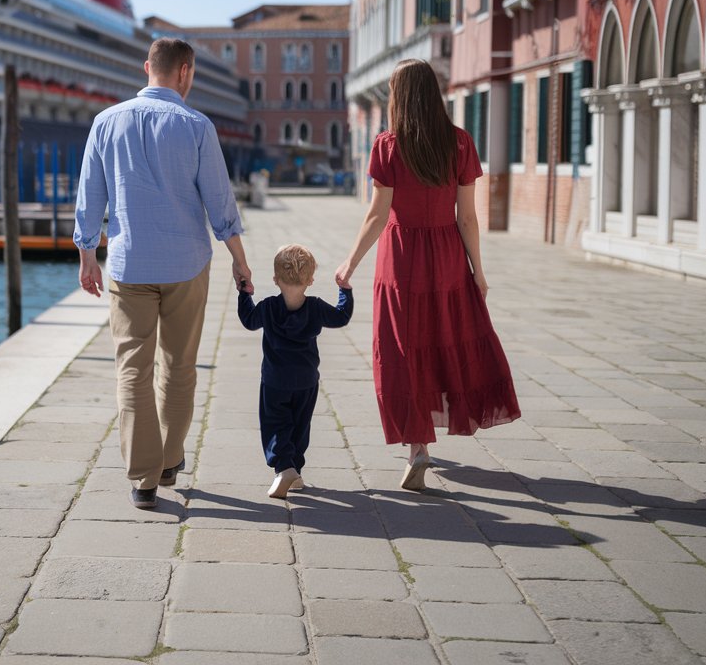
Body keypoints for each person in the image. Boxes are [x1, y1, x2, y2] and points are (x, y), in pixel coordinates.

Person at [74, 37, 253, 509]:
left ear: (147, 67)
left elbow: (90, 195)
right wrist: (239, 258)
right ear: (186, 72)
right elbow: (220, 202)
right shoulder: (197, 126)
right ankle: (170, 459)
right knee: (179, 367)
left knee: (132, 370)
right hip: (187, 265)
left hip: (129, 264)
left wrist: (86, 253)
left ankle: (143, 480)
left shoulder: (105, 123)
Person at [334, 58, 520, 491]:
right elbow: (468, 218)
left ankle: (417, 446)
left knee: (403, 349)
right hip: (447, 257)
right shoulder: (459, 143)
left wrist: (350, 262)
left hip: (400, 258)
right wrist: (477, 270)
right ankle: (433, 433)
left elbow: (378, 215)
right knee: (445, 342)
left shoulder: (388, 145)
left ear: (398, 97)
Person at [238, 244, 353, 499]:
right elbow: (341, 316)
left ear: (276, 279)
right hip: (306, 380)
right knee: (301, 425)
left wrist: (244, 293)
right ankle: (295, 470)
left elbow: (248, 320)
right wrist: (345, 289)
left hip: (275, 380)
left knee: (276, 423)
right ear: (311, 280)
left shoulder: (268, 307)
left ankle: (284, 467)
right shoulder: (316, 307)